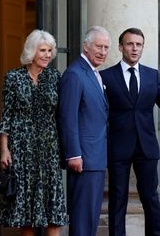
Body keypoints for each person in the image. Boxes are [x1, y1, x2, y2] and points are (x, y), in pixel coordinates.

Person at [100, 27, 160, 236]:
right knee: (117, 199)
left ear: (142, 47)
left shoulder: (152, 75)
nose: (134, 48)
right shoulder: (106, 76)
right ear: (121, 47)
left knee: (151, 199)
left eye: (138, 44)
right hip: (118, 146)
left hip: (146, 146)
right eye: (130, 44)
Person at [0, 29, 68, 236]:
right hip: (22, 149)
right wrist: (4, 150)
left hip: (49, 149)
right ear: (31, 52)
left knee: (52, 209)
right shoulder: (13, 77)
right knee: (26, 213)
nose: (47, 55)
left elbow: (62, 115)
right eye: (43, 50)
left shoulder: (55, 77)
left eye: (49, 51)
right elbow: (6, 116)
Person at [58, 26, 111, 236]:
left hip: (96, 156)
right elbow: (67, 117)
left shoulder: (93, 73)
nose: (103, 51)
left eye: (106, 47)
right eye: (99, 46)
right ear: (86, 47)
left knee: (90, 219)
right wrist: (74, 154)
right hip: (83, 159)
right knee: (82, 220)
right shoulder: (74, 74)